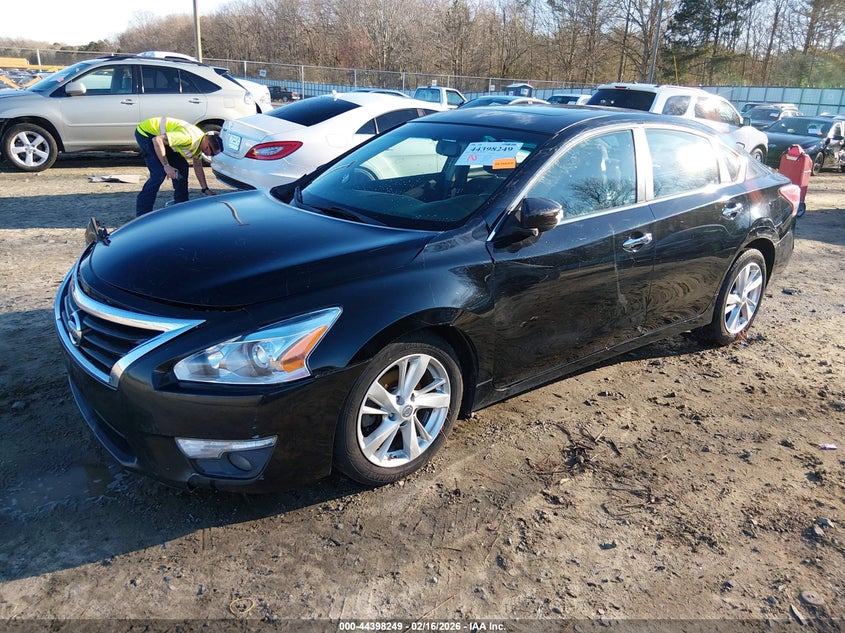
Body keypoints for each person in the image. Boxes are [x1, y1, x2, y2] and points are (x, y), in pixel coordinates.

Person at [134, 116, 224, 216]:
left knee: (182, 168)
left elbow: (198, 166)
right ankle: (143, 214)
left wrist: (205, 189)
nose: (210, 156)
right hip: (147, 134)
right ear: (207, 146)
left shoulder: (201, 142)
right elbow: (157, 140)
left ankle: (181, 205)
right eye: (211, 154)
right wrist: (166, 165)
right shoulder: (188, 138)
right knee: (159, 174)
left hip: (164, 140)